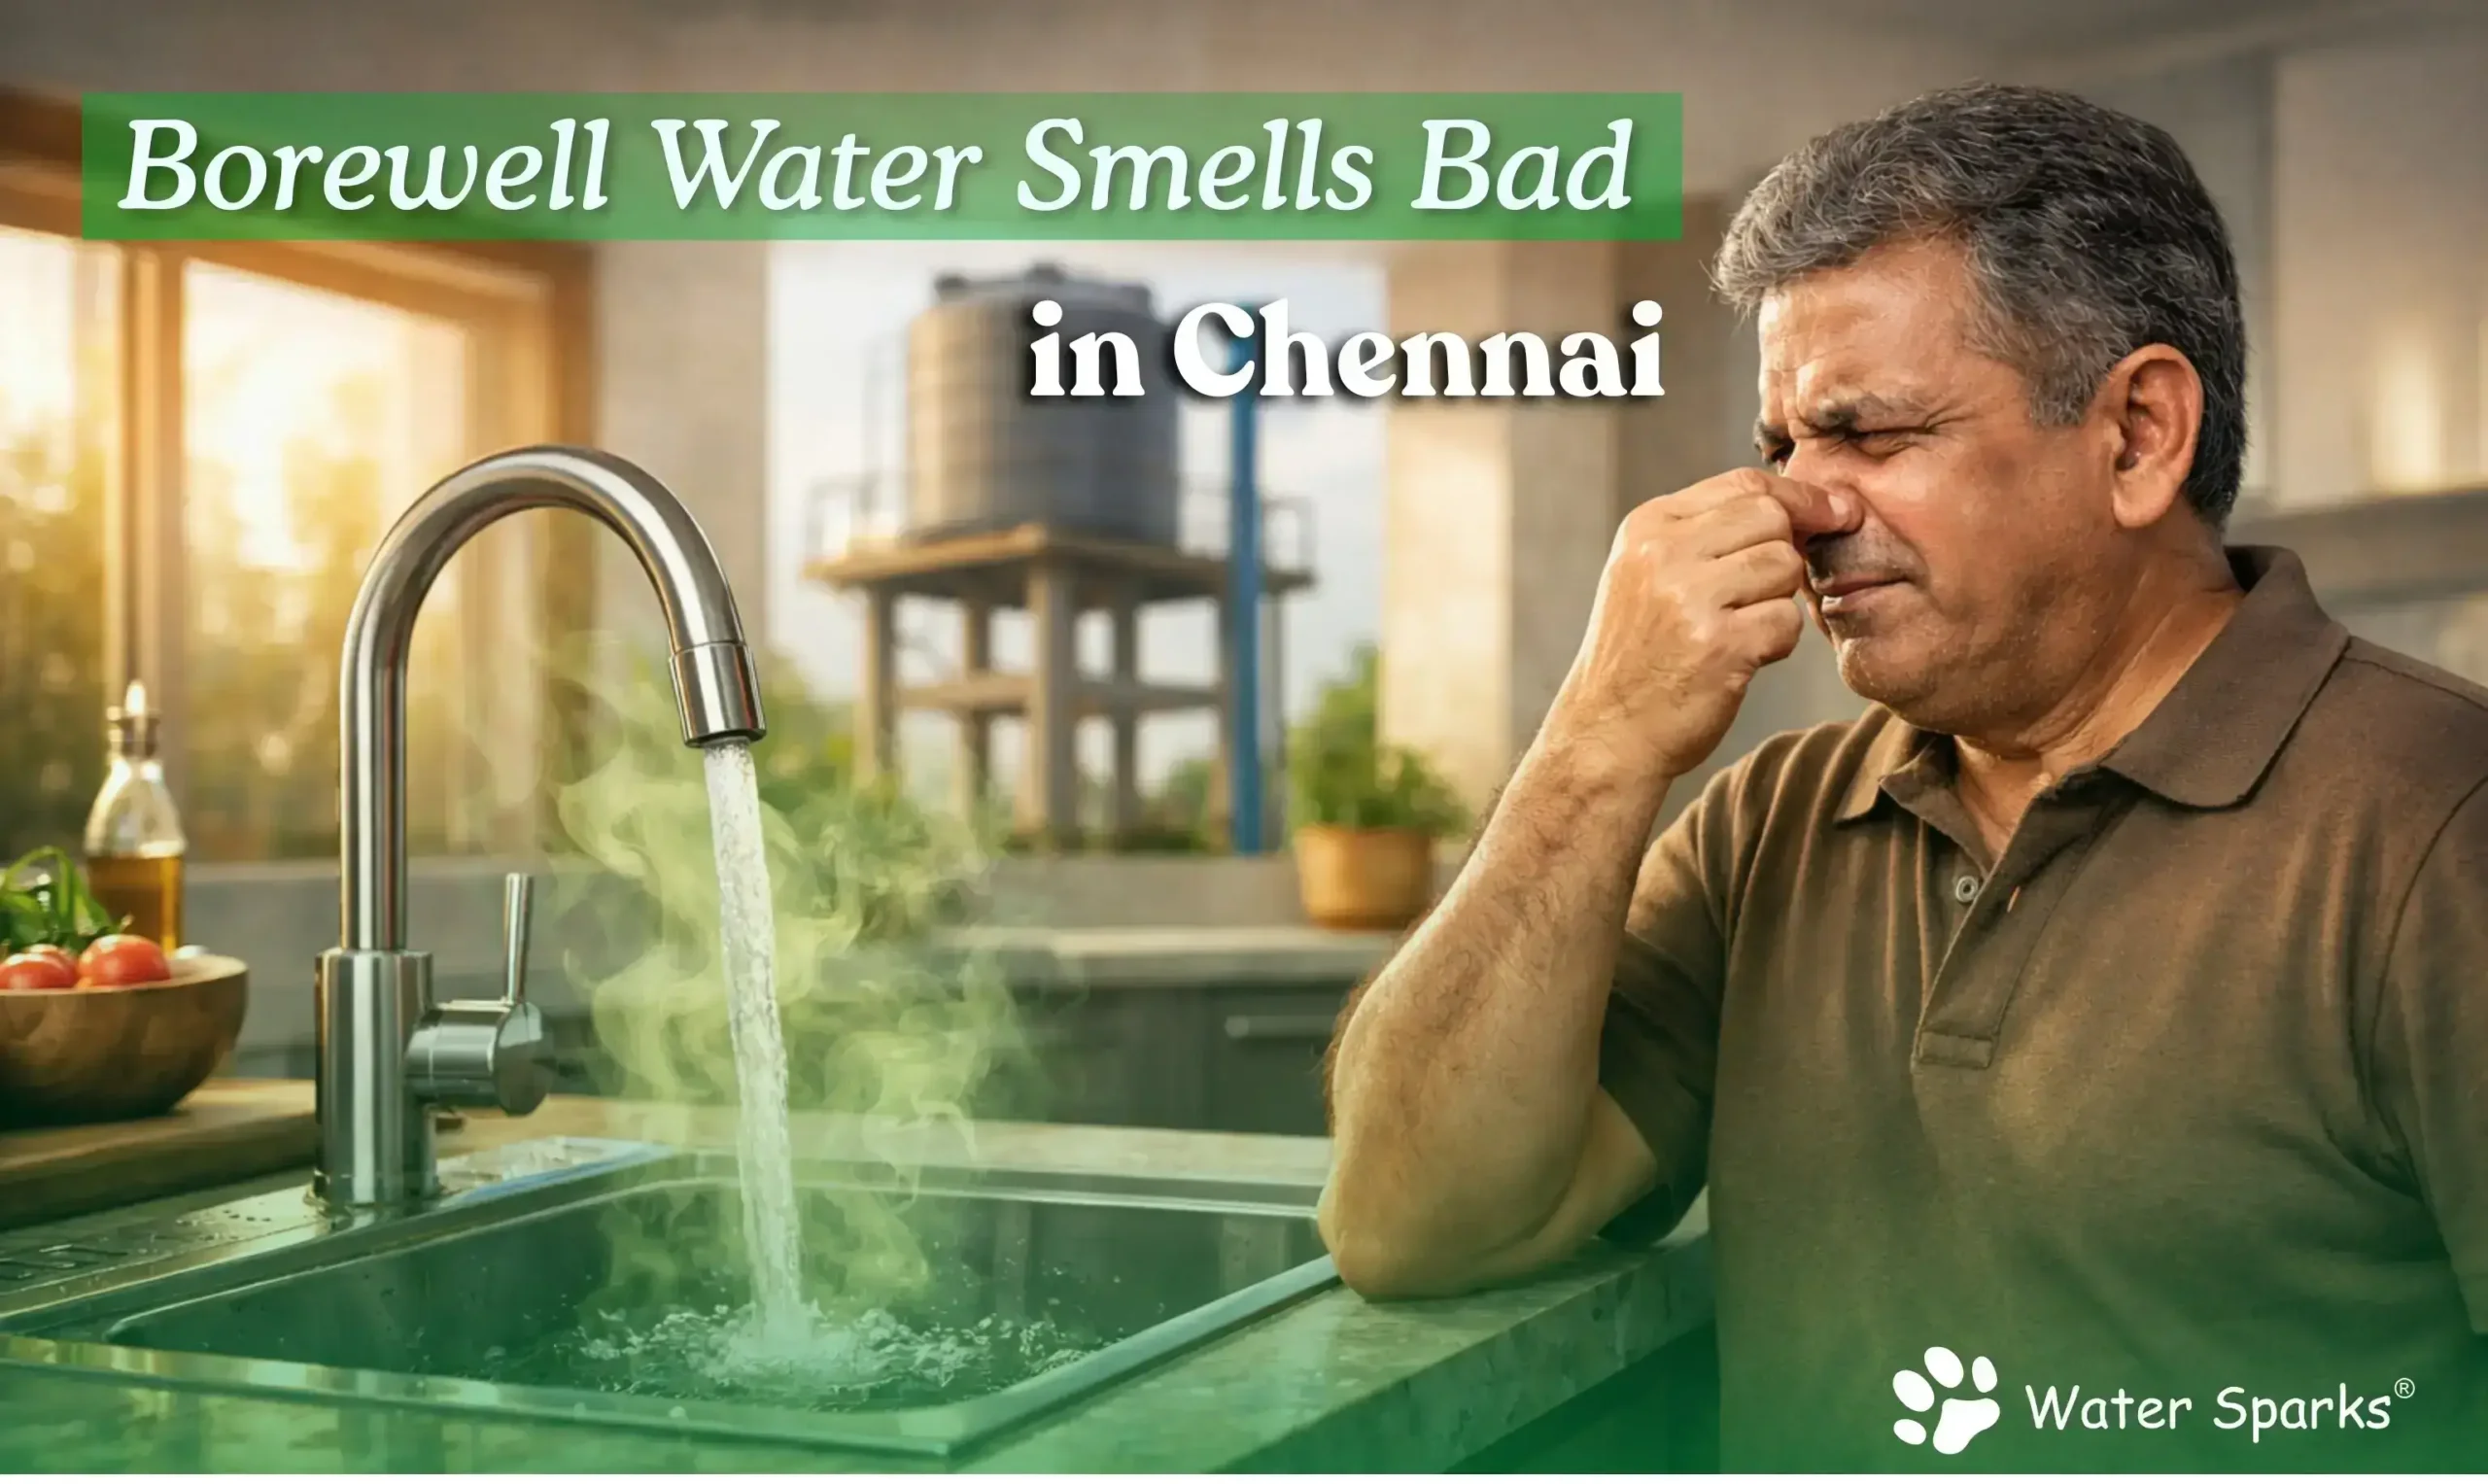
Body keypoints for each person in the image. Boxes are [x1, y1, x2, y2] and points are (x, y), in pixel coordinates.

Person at [1317, 83, 2488, 1471]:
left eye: (1869, 434)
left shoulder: (2439, 819)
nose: (1795, 507)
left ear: (2137, 436)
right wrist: (1593, 742)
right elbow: (1405, 1221)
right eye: (1779, 446)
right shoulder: (1769, 823)